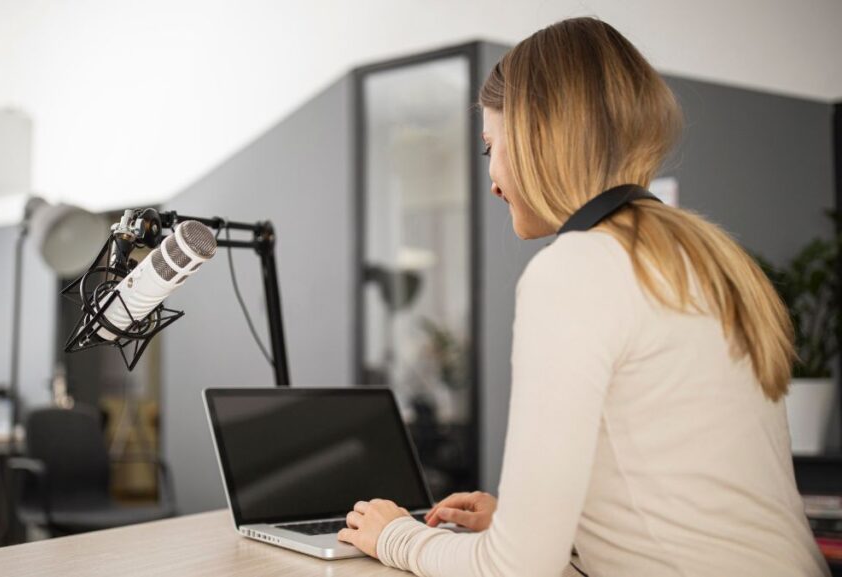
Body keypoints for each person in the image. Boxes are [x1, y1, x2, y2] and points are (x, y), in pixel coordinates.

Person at [337, 17, 829, 577]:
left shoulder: (577, 268)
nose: (493, 180)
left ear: (539, 139)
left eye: (490, 148)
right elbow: (686, 505)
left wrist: (393, 535)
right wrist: (552, 527)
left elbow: (516, 570)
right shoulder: (712, 257)